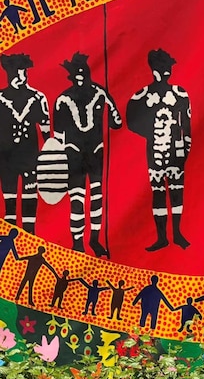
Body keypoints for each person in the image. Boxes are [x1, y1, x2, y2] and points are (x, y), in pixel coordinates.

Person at [54, 52, 122, 256]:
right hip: (78, 154)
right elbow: (116, 121)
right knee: (82, 198)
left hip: (90, 153)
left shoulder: (73, 98)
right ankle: (79, 243)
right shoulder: (67, 99)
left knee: (91, 197)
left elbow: (116, 121)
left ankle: (89, 241)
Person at [126, 49, 192, 251]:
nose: (167, 72)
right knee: (158, 191)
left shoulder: (180, 94)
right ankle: (162, 236)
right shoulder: (143, 96)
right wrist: (150, 132)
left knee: (176, 191)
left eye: (168, 69)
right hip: (155, 150)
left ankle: (178, 233)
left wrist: (186, 147)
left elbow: (186, 123)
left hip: (176, 149)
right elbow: (130, 119)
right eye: (163, 69)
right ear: (155, 70)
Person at [0, 53, 49, 234]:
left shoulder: (37, 98)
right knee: (9, 197)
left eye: (24, 73)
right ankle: (10, 235)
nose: (22, 77)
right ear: (9, 74)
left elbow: (45, 127)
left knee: (30, 194)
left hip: (30, 156)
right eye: (18, 73)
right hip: (6, 158)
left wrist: (49, 152)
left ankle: (29, 235)